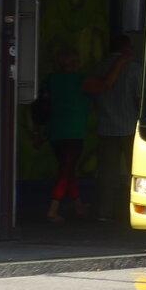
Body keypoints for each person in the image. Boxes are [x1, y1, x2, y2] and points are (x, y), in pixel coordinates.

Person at [88, 35, 143, 222]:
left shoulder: (99, 67)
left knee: (107, 173)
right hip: (129, 127)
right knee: (136, 170)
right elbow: (138, 99)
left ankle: (104, 212)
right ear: (127, 48)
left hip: (105, 127)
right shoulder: (134, 69)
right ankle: (139, 209)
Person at [41, 47, 92, 223]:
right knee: (66, 171)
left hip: (55, 131)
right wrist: (120, 62)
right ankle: (53, 209)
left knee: (67, 170)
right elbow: (107, 85)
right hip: (74, 131)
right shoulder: (81, 80)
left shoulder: (51, 80)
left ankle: (78, 205)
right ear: (77, 62)